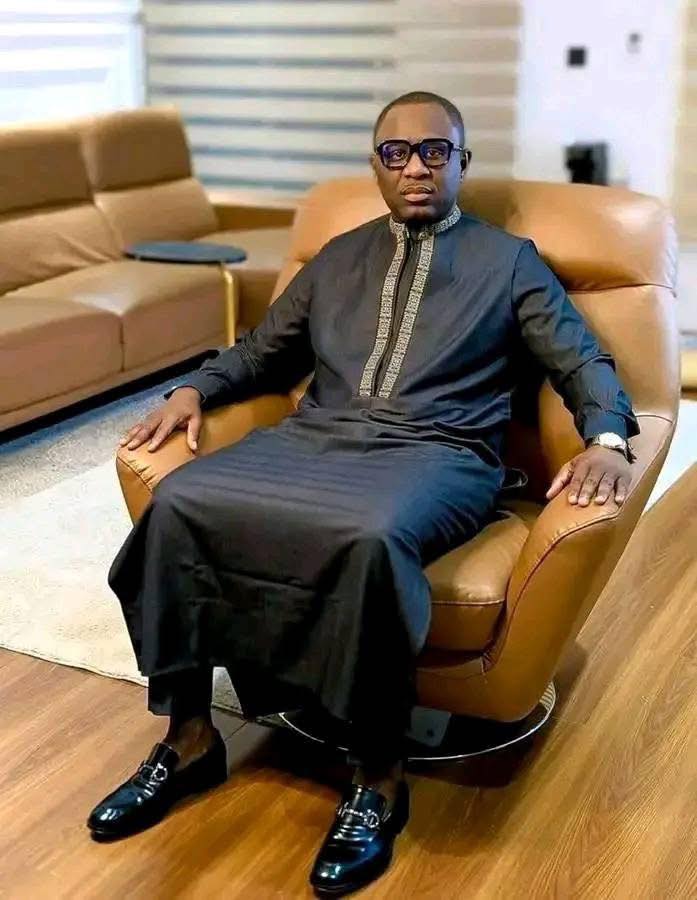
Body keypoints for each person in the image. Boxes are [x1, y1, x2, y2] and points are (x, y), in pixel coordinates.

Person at [87, 91, 638, 895]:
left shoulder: (508, 261)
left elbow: (580, 359)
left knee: (370, 535)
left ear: (461, 164)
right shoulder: (339, 257)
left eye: (435, 152)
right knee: (181, 505)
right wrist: (196, 389)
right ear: (375, 167)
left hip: (441, 453)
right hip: (322, 437)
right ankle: (190, 737)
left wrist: (608, 439)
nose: (415, 167)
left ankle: (377, 776)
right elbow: (264, 351)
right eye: (396, 153)